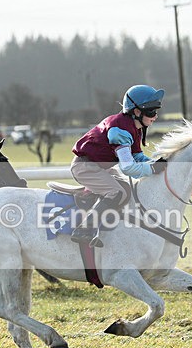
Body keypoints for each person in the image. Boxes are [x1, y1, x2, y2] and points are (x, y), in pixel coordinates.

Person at [70, 84, 167, 246]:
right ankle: (84, 229)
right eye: (151, 112)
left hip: (97, 167)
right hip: (85, 167)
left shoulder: (133, 128)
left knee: (125, 189)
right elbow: (128, 167)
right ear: (136, 112)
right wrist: (152, 168)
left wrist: (157, 164)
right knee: (116, 192)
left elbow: (138, 157)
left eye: (156, 111)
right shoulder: (120, 130)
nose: (155, 116)